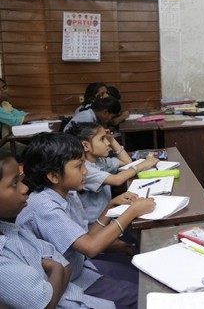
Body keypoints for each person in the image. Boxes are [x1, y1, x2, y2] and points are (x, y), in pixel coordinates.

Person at [16, 132, 155, 308]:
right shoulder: (44, 207)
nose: (85, 171)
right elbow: (91, 247)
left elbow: (86, 236)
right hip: (66, 285)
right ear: (54, 176)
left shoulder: (67, 193)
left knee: (141, 276)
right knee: (143, 294)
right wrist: (132, 212)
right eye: (78, 166)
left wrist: (110, 207)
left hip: (80, 268)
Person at [0, 156, 114, 308]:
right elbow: (46, 302)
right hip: (77, 285)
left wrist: (55, 271)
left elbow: (65, 263)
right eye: (15, 183)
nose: (24, 188)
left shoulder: (10, 230)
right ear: (54, 176)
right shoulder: (43, 206)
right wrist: (56, 268)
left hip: (78, 285)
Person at [66, 121, 158, 224]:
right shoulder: (84, 168)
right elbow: (117, 180)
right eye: (102, 139)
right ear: (85, 145)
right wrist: (144, 164)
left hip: (108, 217)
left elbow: (126, 162)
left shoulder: (98, 161)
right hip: (95, 225)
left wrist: (112, 139)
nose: (107, 143)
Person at [0, 77, 60, 156]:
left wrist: (43, 116)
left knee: (39, 149)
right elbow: (14, 120)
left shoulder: (4, 104)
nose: (3, 91)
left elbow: (20, 114)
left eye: (4, 87)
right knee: (37, 153)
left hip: (8, 141)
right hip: (3, 146)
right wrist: (42, 115)